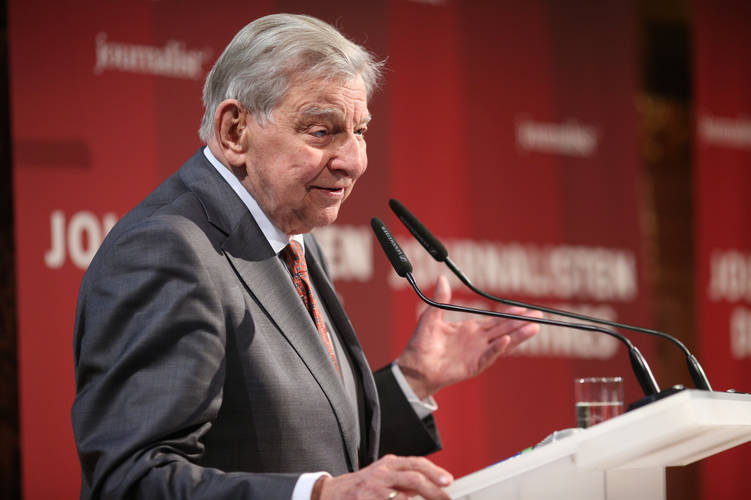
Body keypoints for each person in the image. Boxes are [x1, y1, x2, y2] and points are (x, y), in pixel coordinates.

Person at [72, 13, 540, 500]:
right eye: (321, 131)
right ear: (235, 131)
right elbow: (131, 481)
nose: (354, 161)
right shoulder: (166, 251)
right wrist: (317, 496)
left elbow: (308, 444)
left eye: (360, 131)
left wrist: (414, 380)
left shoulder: (292, 234)